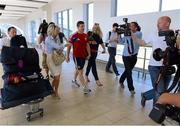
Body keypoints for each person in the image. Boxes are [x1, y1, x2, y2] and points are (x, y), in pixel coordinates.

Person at [131, 16, 172, 106]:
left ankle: (145, 95)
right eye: (157, 22)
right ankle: (156, 110)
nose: (157, 24)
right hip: (154, 66)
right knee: (160, 90)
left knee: (164, 90)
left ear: (167, 24)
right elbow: (142, 42)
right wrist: (132, 35)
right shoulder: (153, 33)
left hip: (168, 66)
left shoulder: (174, 35)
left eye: (160, 23)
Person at [45, 24, 70, 99]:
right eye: (57, 30)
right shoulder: (48, 39)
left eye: (58, 30)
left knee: (57, 77)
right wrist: (65, 45)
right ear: (52, 31)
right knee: (56, 76)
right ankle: (52, 90)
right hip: (50, 59)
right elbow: (57, 46)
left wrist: (61, 48)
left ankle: (55, 91)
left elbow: (59, 48)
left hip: (57, 58)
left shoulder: (58, 37)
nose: (58, 32)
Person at [66, 21, 91, 94]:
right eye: (81, 26)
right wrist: (67, 56)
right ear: (78, 27)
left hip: (83, 56)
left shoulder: (85, 35)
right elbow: (68, 46)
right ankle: (85, 88)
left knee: (78, 69)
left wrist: (89, 54)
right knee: (81, 72)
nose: (83, 28)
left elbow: (87, 45)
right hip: (76, 56)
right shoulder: (73, 36)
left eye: (84, 26)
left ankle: (73, 80)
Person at [119, 22, 142, 95]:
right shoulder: (126, 34)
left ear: (136, 27)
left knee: (127, 71)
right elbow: (120, 41)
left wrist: (126, 31)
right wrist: (119, 33)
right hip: (125, 56)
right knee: (129, 72)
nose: (130, 27)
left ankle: (121, 80)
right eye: (129, 26)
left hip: (134, 57)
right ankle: (131, 88)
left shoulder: (139, 33)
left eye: (132, 26)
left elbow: (133, 36)